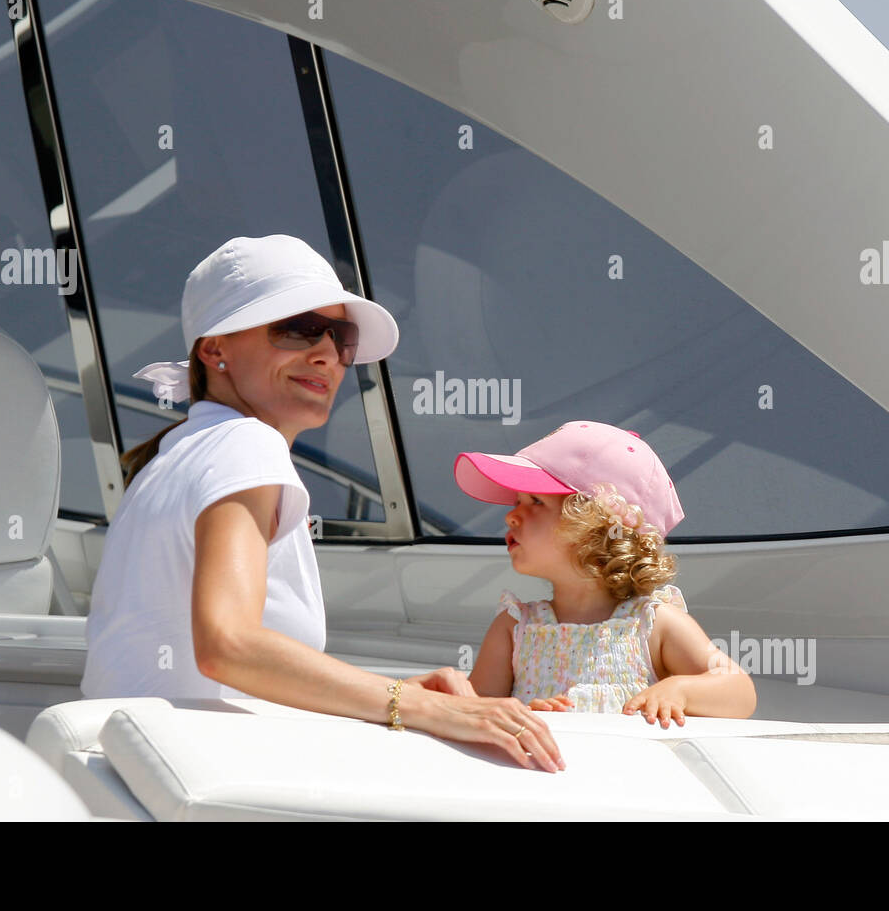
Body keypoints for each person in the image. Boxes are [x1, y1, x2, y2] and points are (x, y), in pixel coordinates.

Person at [82, 235, 563, 772]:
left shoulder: (171, 455)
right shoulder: (247, 444)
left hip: (134, 768)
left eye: (342, 337)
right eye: (298, 329)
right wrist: (420, 706)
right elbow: (228, 645)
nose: (327, 354)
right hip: (184, 771)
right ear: (214, 349)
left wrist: (395, 691)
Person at [457, 421, 757, 726]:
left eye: (536, 501)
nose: (510, 515)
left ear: (596, 526)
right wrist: (520, 715)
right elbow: (471, 717)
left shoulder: (652, 624)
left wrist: (680, 690)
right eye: (517, 501)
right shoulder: (514, 628)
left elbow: (740, 692)